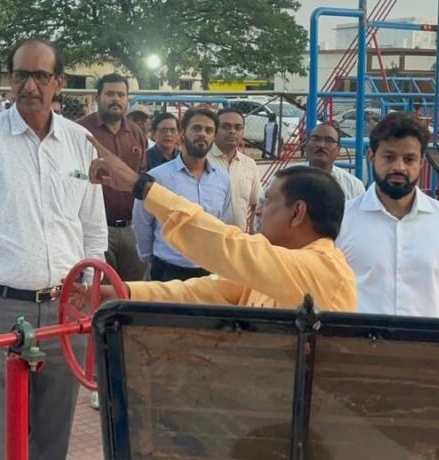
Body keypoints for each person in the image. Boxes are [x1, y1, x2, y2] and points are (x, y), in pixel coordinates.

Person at [0, 39, 106, 460]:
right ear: (10, 79)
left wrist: (86, 292)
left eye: (40, 76)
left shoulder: (80, 144)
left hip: (66, 311)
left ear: (59, 83)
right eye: (20, 76)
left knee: (53, 433)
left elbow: (93, 230)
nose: (29, 86)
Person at [82, 140, 356, 312]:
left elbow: (228, 244)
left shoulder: (322, 270)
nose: (259, 209)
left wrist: (141, 186)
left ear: (297, 213)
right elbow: (203, 290)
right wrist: (127, 292)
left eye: (268, 200)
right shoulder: (273, 267)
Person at [336, 111, 439, 318]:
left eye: (409, 159)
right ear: (371, 156)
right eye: (389, 157)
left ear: (422, 162)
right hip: (357, 339)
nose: (399, 167)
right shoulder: (341, 221)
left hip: (427, 339)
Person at [133, 107, 232, 281]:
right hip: (167, 271)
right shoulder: (158, 177)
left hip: (208, 274)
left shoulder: (222, 178)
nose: (202, 134)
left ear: (214, 137)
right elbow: (142, 222)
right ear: (183, 133)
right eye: (196, 128)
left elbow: (222, 222)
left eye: (209, 130)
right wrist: (149, 257)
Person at [78, 72, 149, 282]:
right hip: (95, 231)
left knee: (133, 291)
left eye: (121, 95)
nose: (116, 99)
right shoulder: (80, 131)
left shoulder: (136, 133)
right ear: (97, 98)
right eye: (110, 94)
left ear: (128, 99)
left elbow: (141, 176)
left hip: (131, 230)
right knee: (100, 291)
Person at [208, 108, 261, 231]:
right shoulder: (202, 162)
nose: (232, 131)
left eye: (238, 127)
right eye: (225, 127)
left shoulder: (249, 164)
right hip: (209, 237)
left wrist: (252, 236)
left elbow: (256, 205)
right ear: (215, 130)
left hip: (239, 238)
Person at [302, 122, 365, 200]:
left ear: (338, 149)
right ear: (306, 145)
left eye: (329, 140)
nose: (321, 145)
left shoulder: (354, 187)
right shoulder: (291, 180)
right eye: (315, 139)